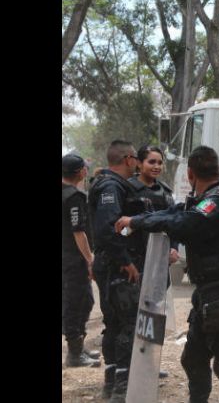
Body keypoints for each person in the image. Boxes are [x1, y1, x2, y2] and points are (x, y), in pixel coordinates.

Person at [114, 146, 219, 403]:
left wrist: (138, 222)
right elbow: (176, 213)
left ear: (190, 174)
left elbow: (186, 223)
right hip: (212, 295)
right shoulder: (208, 200)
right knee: (193, 359)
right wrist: (136, 220)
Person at [88, 140, 141, 402]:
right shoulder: (111, 186)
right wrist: (126, 261)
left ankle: (112, 382)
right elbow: (108, 229)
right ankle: (121, 387)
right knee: (126, 324)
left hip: (108, 263)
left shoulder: (109, 184)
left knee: (114, 323)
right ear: (128, 159)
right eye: (136, 158)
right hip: (116, 265)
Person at [62, 154, 101, 368]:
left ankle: (78, 347)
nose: (87, 170)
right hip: (74, 259)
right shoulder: (74, 197)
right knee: (77, 302)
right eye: (85, 168)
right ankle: (75, 354)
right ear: (80, 172)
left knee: (80, 300)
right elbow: (78, 232)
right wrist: (89, 259)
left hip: (66, 257)